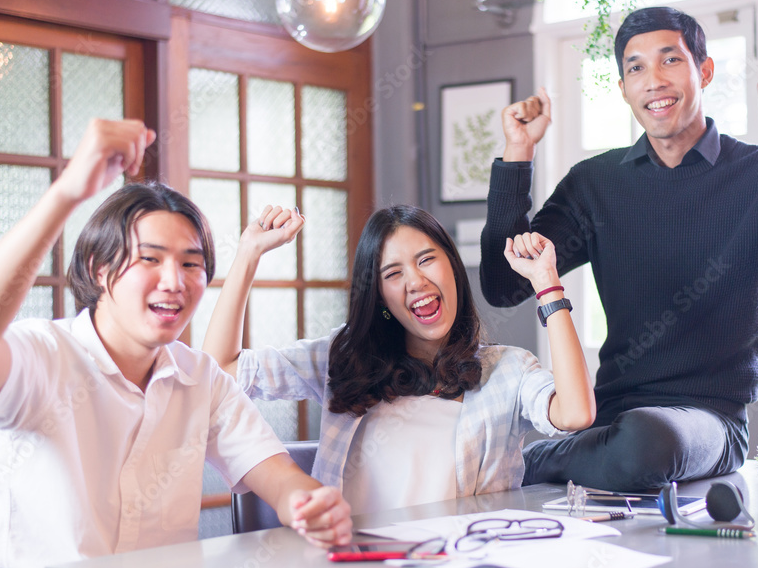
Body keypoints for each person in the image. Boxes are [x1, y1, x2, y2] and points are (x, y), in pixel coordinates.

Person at [0, 119, 352, 568]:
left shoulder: (199, 377)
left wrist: (306, 504)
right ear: (99, 269)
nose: (174, 282)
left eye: (192, 264)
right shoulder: (42, 356)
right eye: (149, 259)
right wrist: (68, 192)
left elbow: (281, 481)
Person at [480, 6, 758, 491]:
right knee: (633, 440)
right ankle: (594, 453)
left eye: (670, 61)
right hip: (613, 414)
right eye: (635, 67)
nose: (653, 80)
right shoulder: (596, 183)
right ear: (623, 90)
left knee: (644, 442)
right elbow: (503, 284)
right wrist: (518, 153)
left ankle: (533, 462)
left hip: (709, 423)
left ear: (704, 70)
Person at [202, 204, 595, 514]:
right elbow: (219, 372)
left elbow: (575, 414)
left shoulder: (507, 371)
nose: (415, 282)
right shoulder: (343, 358)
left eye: (426, 260)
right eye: (392, 273)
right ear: (381, 298)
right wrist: (248, 254)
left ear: (453, 269)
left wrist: (547, 285)